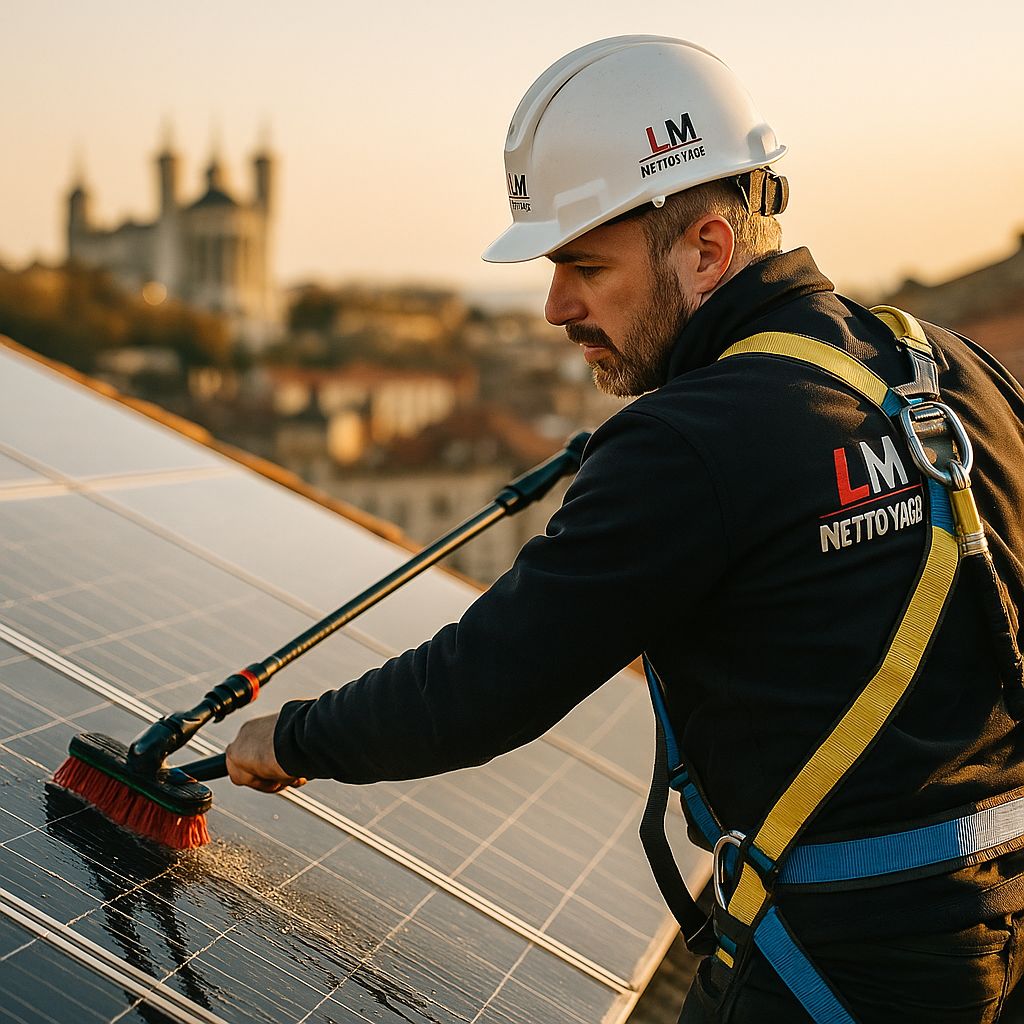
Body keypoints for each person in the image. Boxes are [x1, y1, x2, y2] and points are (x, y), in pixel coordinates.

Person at [225, 36, 1024, 1023]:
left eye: (584, 266)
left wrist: (292, 734)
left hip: (835, 970)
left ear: (705, 251)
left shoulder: (685, 442)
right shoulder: (947, 369)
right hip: (1000, 936)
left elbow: (485, 684)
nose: (557, 306)